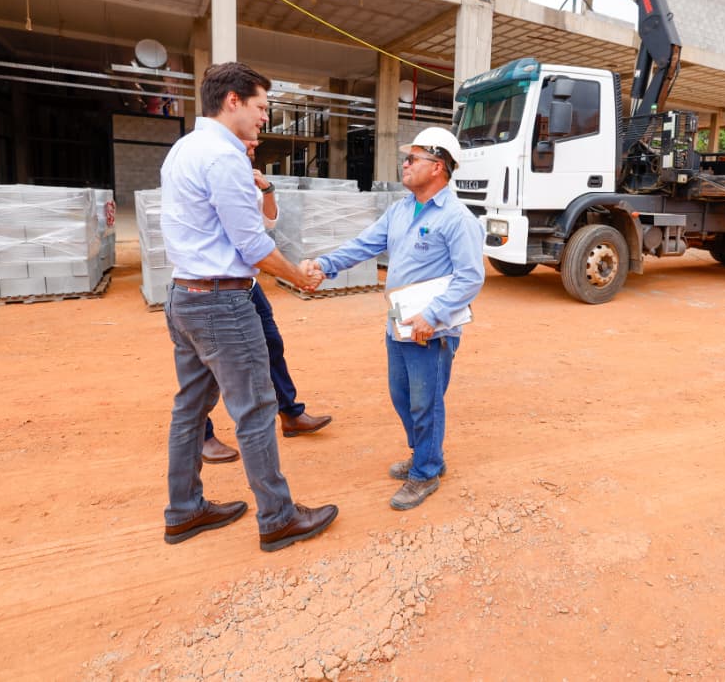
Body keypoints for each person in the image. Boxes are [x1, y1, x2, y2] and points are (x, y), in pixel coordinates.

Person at [160, 61, 337, 551]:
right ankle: (278, 518)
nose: (265, 117)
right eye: (260, 107)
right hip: (221, 302)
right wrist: (299, 276)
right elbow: (253, 245)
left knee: (190, 409)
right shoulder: (224, 158)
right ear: (232, 100)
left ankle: (184, 511)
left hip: (185, 295)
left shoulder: (183, 149)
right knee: (256, 409)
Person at [304, 126, 484, 511]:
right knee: (402, 397)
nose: (405, 164)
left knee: (426, 402)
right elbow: (364, 244)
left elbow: (470, 277)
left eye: (413, 158)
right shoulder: (401, 210)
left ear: (438, 166)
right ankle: (427, 454)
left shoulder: (457, 218)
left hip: (430, 331)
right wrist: (325, 264)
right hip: (398, 323)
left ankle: (426, 472)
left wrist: (433, 315)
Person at [201, 142, 334, 464]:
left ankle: (290, 414)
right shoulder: (213, 179)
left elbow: (269, 224)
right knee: (211, 362)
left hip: (245, 281)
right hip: (212, 285)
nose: (249, 152)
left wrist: (267, 189)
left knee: (271, 344)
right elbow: (255, 247)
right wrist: (297, 277)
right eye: (243, 148)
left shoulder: (247, 185)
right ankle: (200, 435)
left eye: (250, 152)